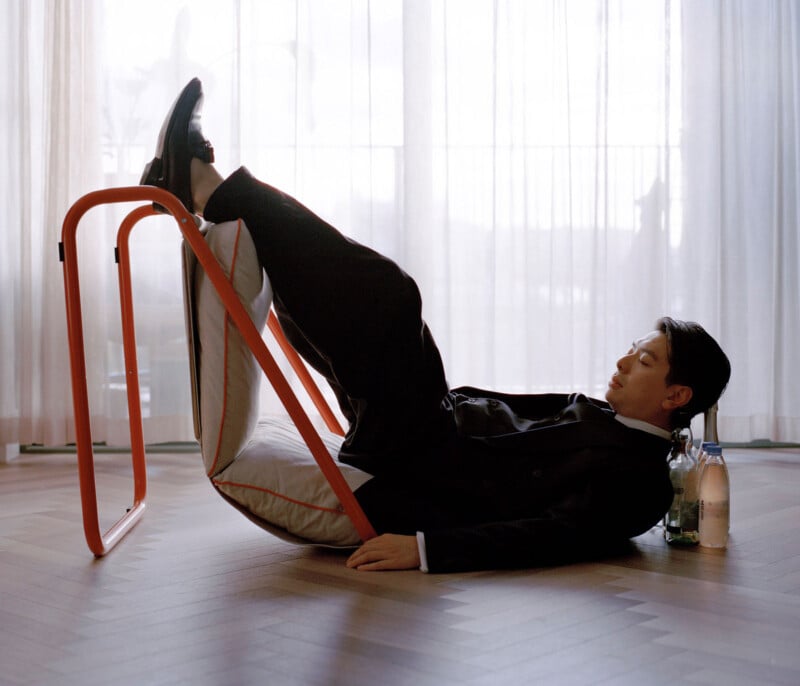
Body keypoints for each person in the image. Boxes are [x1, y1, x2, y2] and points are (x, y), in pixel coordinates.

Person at [142, 79, 731, 573]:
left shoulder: (640, 479)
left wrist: (425, 548)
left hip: (425, 471)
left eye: (646, 361)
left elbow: (555, 534)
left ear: (678, 396)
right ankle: (200, 186)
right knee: (340, 319)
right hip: (431, 433)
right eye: (635, 350)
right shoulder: (616, 426)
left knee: (392, 300)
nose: (625, 361)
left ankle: (200, 183)